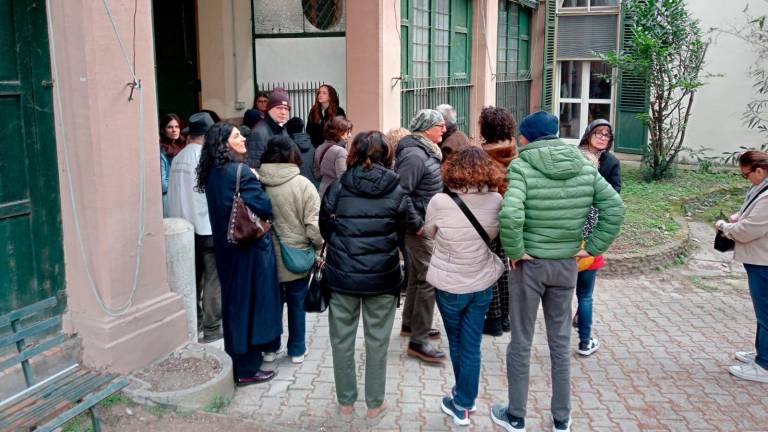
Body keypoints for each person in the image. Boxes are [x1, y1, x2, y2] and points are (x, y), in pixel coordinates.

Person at [490, 111, 625, 432]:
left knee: (521, 341)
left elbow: (510, 215)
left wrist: (516, 250)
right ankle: (561, 417)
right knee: (561, 343)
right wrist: (591, 247)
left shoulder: (522, 165)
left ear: (527, 137)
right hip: (565, 265)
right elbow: (615, 208)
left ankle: (517, 415)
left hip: (529, 265)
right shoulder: (583, 165)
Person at [321, 131, 407, 424]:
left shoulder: (338, 186)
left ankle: (346, 405)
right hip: (382, 277)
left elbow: (325, 228)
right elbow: (403, 230)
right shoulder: (396, 189)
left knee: (341, 341)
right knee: (377, 342)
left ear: (354, 153)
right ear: (387, 154)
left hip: (343, 276)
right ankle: (374, 406)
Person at [425, 147, 506, 426]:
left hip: (449, 284)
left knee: (456, 341)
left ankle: (462, 403)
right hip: (482, 282)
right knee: (472, 344)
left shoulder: (439, 201)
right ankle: (464, 399)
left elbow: (429, 233)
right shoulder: (497, 199)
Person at [196, 122, 281, 386]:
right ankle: (247, 368)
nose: (243, 138)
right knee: (251, 305)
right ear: (224, 144)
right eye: (236, 136)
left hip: (226, 248)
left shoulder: (212, 173)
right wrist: (256, 181)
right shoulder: (241, 172)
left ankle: (238, 364)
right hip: (248, 249)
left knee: (234, 305)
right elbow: (265, 207)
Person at [257, 136, 323, 365]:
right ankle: (296, 350)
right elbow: (314, 226)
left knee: (270, 304)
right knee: (297, 305)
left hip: (264, 256)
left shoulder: (257, 182)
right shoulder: (303, 185)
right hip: (296, 257)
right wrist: (318, 248)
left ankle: (269, 348)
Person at [167, 112, 222, 343]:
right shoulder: (204, 157)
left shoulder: (179, 157)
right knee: (212, 280)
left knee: (193, 278)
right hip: (206, 226)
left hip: (184, 226)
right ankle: (211, 328)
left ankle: (196, 321)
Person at [397, 109, 446, 363]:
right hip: (419, 227)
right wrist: (416, 223)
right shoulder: (416, 155)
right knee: (429, 279)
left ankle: (410, 325)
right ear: (426, 128)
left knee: (417, 276)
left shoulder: (425, 151)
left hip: (426, 223)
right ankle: (419, 340)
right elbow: (401, 193)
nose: (444, 129)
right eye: (440, 125)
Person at [716, 150, 768, 384]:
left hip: (763, 262)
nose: (745, 178)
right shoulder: (761, 188)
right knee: (762, 313)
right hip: (757, 259)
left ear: (759, 170)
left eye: (746, 175)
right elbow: (751, 215)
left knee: (765, 314)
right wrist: (739, 216)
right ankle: (761, 355)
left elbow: (748, 231)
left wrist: (725, 226)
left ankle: (764, 365)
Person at [573, 119, 622, 357]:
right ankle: (583, 338)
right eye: (598, 133)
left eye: (606, 135)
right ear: (588, 134)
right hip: (576, 236)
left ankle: (583, 338)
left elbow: (615, 195)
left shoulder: (611, 162)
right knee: (581, 293)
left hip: (584, 235)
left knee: (583, 293)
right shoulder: (574, 155)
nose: (602, 137)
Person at [478, 106, 518, 337]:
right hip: (509, 211)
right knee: (504, 263)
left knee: (489, 265)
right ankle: (506, 317)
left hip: (486, 214)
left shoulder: (482, 155)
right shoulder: (514, 151)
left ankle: (492, 318)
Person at [246, 88, 290, 168]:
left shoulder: (283, 128)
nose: (283, 112)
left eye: (286, 108)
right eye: (279, 108)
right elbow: (255, 166)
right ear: (269, 109)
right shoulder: (258, 133)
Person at [313, 116, 353, 198]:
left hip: (322, 192)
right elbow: (343, 178)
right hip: (335, 196)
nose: (350, 135)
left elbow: (316, 174)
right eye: (347, 132)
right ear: (338, 132)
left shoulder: (320, 147)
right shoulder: (341, 151)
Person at [285, 117, 318, 187]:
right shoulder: (312, 145)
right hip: (313, 185)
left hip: (297, 186)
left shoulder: (287, 146)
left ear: (288, 129)